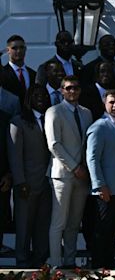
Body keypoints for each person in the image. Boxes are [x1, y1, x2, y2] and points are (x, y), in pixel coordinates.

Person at [45, 75, 93, 268]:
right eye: (68, 88)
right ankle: (55, 265)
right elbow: (54, 144)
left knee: (74, 223)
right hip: (63, 175)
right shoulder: (54, 111)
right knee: (59, 222)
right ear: (62, 91)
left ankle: (70, 262)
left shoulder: (86, 113)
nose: (72, 91)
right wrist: (74, 167)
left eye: (76, 87)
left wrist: (84, 169)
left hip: (82, 175)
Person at [7, 85, 52, 267]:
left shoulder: (50, 118)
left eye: (43, 94)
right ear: (28, 98)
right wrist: (20, 182)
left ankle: (40, 263)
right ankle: (22, 262)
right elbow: (14, 155)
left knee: (42, 226)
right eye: (35, 95)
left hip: (47, 183)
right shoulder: (18, 121)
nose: (40, 97)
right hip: (27, 184)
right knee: (24, 226)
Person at [86, 89, 115, 269]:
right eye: (111, 102)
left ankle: (108, 261)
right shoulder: (98, 127)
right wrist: (99, 185)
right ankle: (99, 264)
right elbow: (92, 158)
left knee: (113, 229)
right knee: (102, 229)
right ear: (105, 103)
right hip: (106, 189)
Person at [1, 35, 36, 106]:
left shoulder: (34, 74)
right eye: (14, 48)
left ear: (25, 49)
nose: (19, 51)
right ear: (8, 50)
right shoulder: (2, 74)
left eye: (21, 47)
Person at [0, 109, 12, 255]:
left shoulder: (4, 118)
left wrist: (9, 174)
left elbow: (10, 148)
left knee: (1, 212)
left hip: (2, 176)